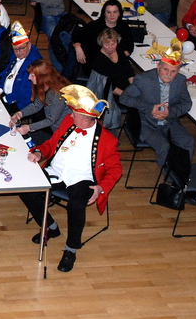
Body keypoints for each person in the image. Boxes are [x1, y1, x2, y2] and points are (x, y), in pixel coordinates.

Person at [19, 85, 122, 273]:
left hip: (82, 178)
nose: (71, 116)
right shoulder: (69, 121)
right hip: (56, 171)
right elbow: (52, 143)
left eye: (75, 114)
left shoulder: (108, 140)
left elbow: (115, 169)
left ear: (87, 119)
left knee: (76, 206)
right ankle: (50, 227)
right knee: (26, 189)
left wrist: (101, 187)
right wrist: (40, 152)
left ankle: (71, 249)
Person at [120, 40, 194, 167]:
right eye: (165, 69)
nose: (168, 74)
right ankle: (168, 176)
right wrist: (150, 108)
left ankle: (183, 174)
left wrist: (170, 112)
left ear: (178, 71)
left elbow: (187, 104)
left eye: (173, 71)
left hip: (170, 121)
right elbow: (124, 98)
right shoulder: (143, 80)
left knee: (188, 142)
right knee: (163, 146)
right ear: (158, 66)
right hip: (146, 123)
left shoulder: (180, 80)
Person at [9, 60, 72, 144]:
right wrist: (20, 113)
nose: (29, 78)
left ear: (43, 76)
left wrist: (29, 128)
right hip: (50, 126)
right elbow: (37, 104)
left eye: (32, 75)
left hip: (61, 132)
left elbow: (51, 119)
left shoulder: (58, 94)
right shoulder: (44, 85)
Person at [88, 29, 135, 133]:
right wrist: (128, 94)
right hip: (110, 94)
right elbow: (110, 87)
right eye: (107, 45)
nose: (110, 48)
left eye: (113, 44)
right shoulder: (99, 60)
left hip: (125, 88)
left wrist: (134, 87)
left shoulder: (120, 51)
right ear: (101, 44)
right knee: (138, 104)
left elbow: (129, 72)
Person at [0, 21, 43, 112]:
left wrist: (3, 100)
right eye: (15, 49)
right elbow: (6, 73)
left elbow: (25, 91)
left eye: (21, 48)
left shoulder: (35, 61)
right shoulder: (16, 53)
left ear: (29, 45)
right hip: (7, 95)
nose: (18, 52)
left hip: (20, 103)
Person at [28, 0, 66, 69]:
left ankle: (67, 60)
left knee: (70, 35)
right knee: (54, 38)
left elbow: (57, 2)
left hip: (61, 14)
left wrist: (40, 1)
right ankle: (59, 67)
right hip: (46, 16)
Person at [72, 0, 134, 65]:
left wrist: (121, 57)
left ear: (119, 13)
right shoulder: (94, 26)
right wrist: (78, 48)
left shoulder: (124, 26)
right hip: (96, 62)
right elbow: (76, 38)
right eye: (108, 12)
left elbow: (129, 46)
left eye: (115, 12)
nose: (112, 15)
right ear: (104, 13)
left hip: (116, 62)